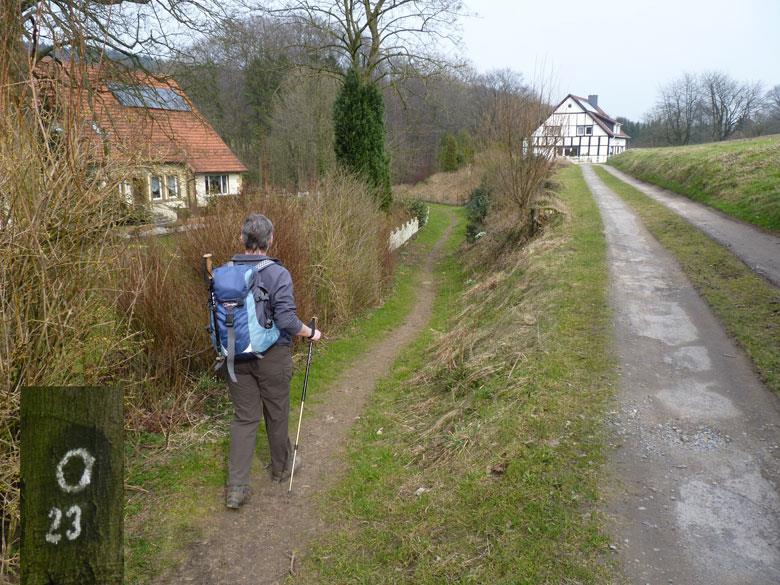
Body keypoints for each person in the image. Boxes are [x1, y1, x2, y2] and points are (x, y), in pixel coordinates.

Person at [224, 213, 321, 509]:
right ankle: (281, 468)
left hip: (235, 355)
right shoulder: (278, 274)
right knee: (276, 413)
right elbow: (287, 320)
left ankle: (236, 489)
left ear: (242, 239)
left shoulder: (225, 272)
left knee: (245, 419)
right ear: (270, 240)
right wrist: (311, 333)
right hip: (272, 356)